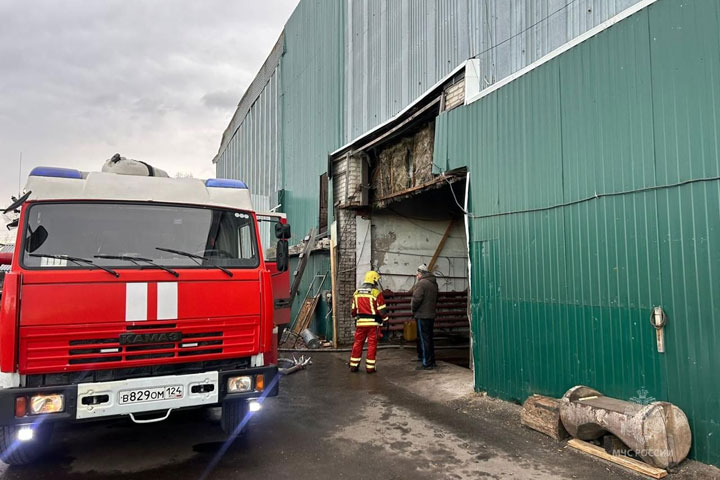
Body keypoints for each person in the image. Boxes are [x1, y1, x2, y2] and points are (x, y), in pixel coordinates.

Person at [349, 270, 388, 374]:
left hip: (360, 323)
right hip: (373, 324)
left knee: (357, 343)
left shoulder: (356, 292)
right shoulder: (376, 293)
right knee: (372, 345)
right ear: (374, 280)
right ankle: (370, 368)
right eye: (377, 280)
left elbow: (353, 310)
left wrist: (358, 317)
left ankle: (353, 366)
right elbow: (382, 310)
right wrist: (385, 320)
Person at [412, 264, 438, 370]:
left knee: (424, 339)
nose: (417, 276)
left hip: (422, 315)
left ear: (421, 273)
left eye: (417, 274)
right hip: (430, 315)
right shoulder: (433, 283)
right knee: (429, 339)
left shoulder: (421, 284)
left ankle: (426, 363)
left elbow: (416, 299)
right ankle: (431, 361)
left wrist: (413, 309)